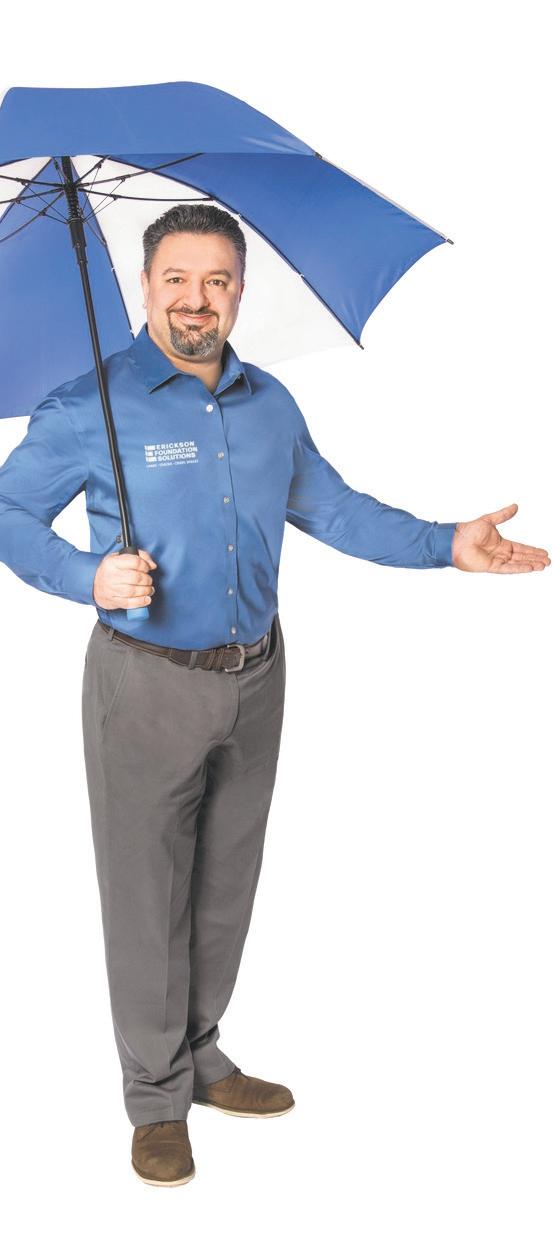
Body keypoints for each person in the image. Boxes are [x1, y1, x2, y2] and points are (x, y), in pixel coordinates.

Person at [0, 204, 549, 1188]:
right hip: (144, 683)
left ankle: (202, 1053)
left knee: (225, 885)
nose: (196, 299)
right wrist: (88, 575)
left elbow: (333, 509)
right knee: (146, 895)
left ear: (240, 291)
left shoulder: (270, 405)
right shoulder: (90, 406)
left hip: (257, 674)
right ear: (145, 287)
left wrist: (445, 545)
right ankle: (155, 1097)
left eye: (216, 280)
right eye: (176, 278)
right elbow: (8, 512)